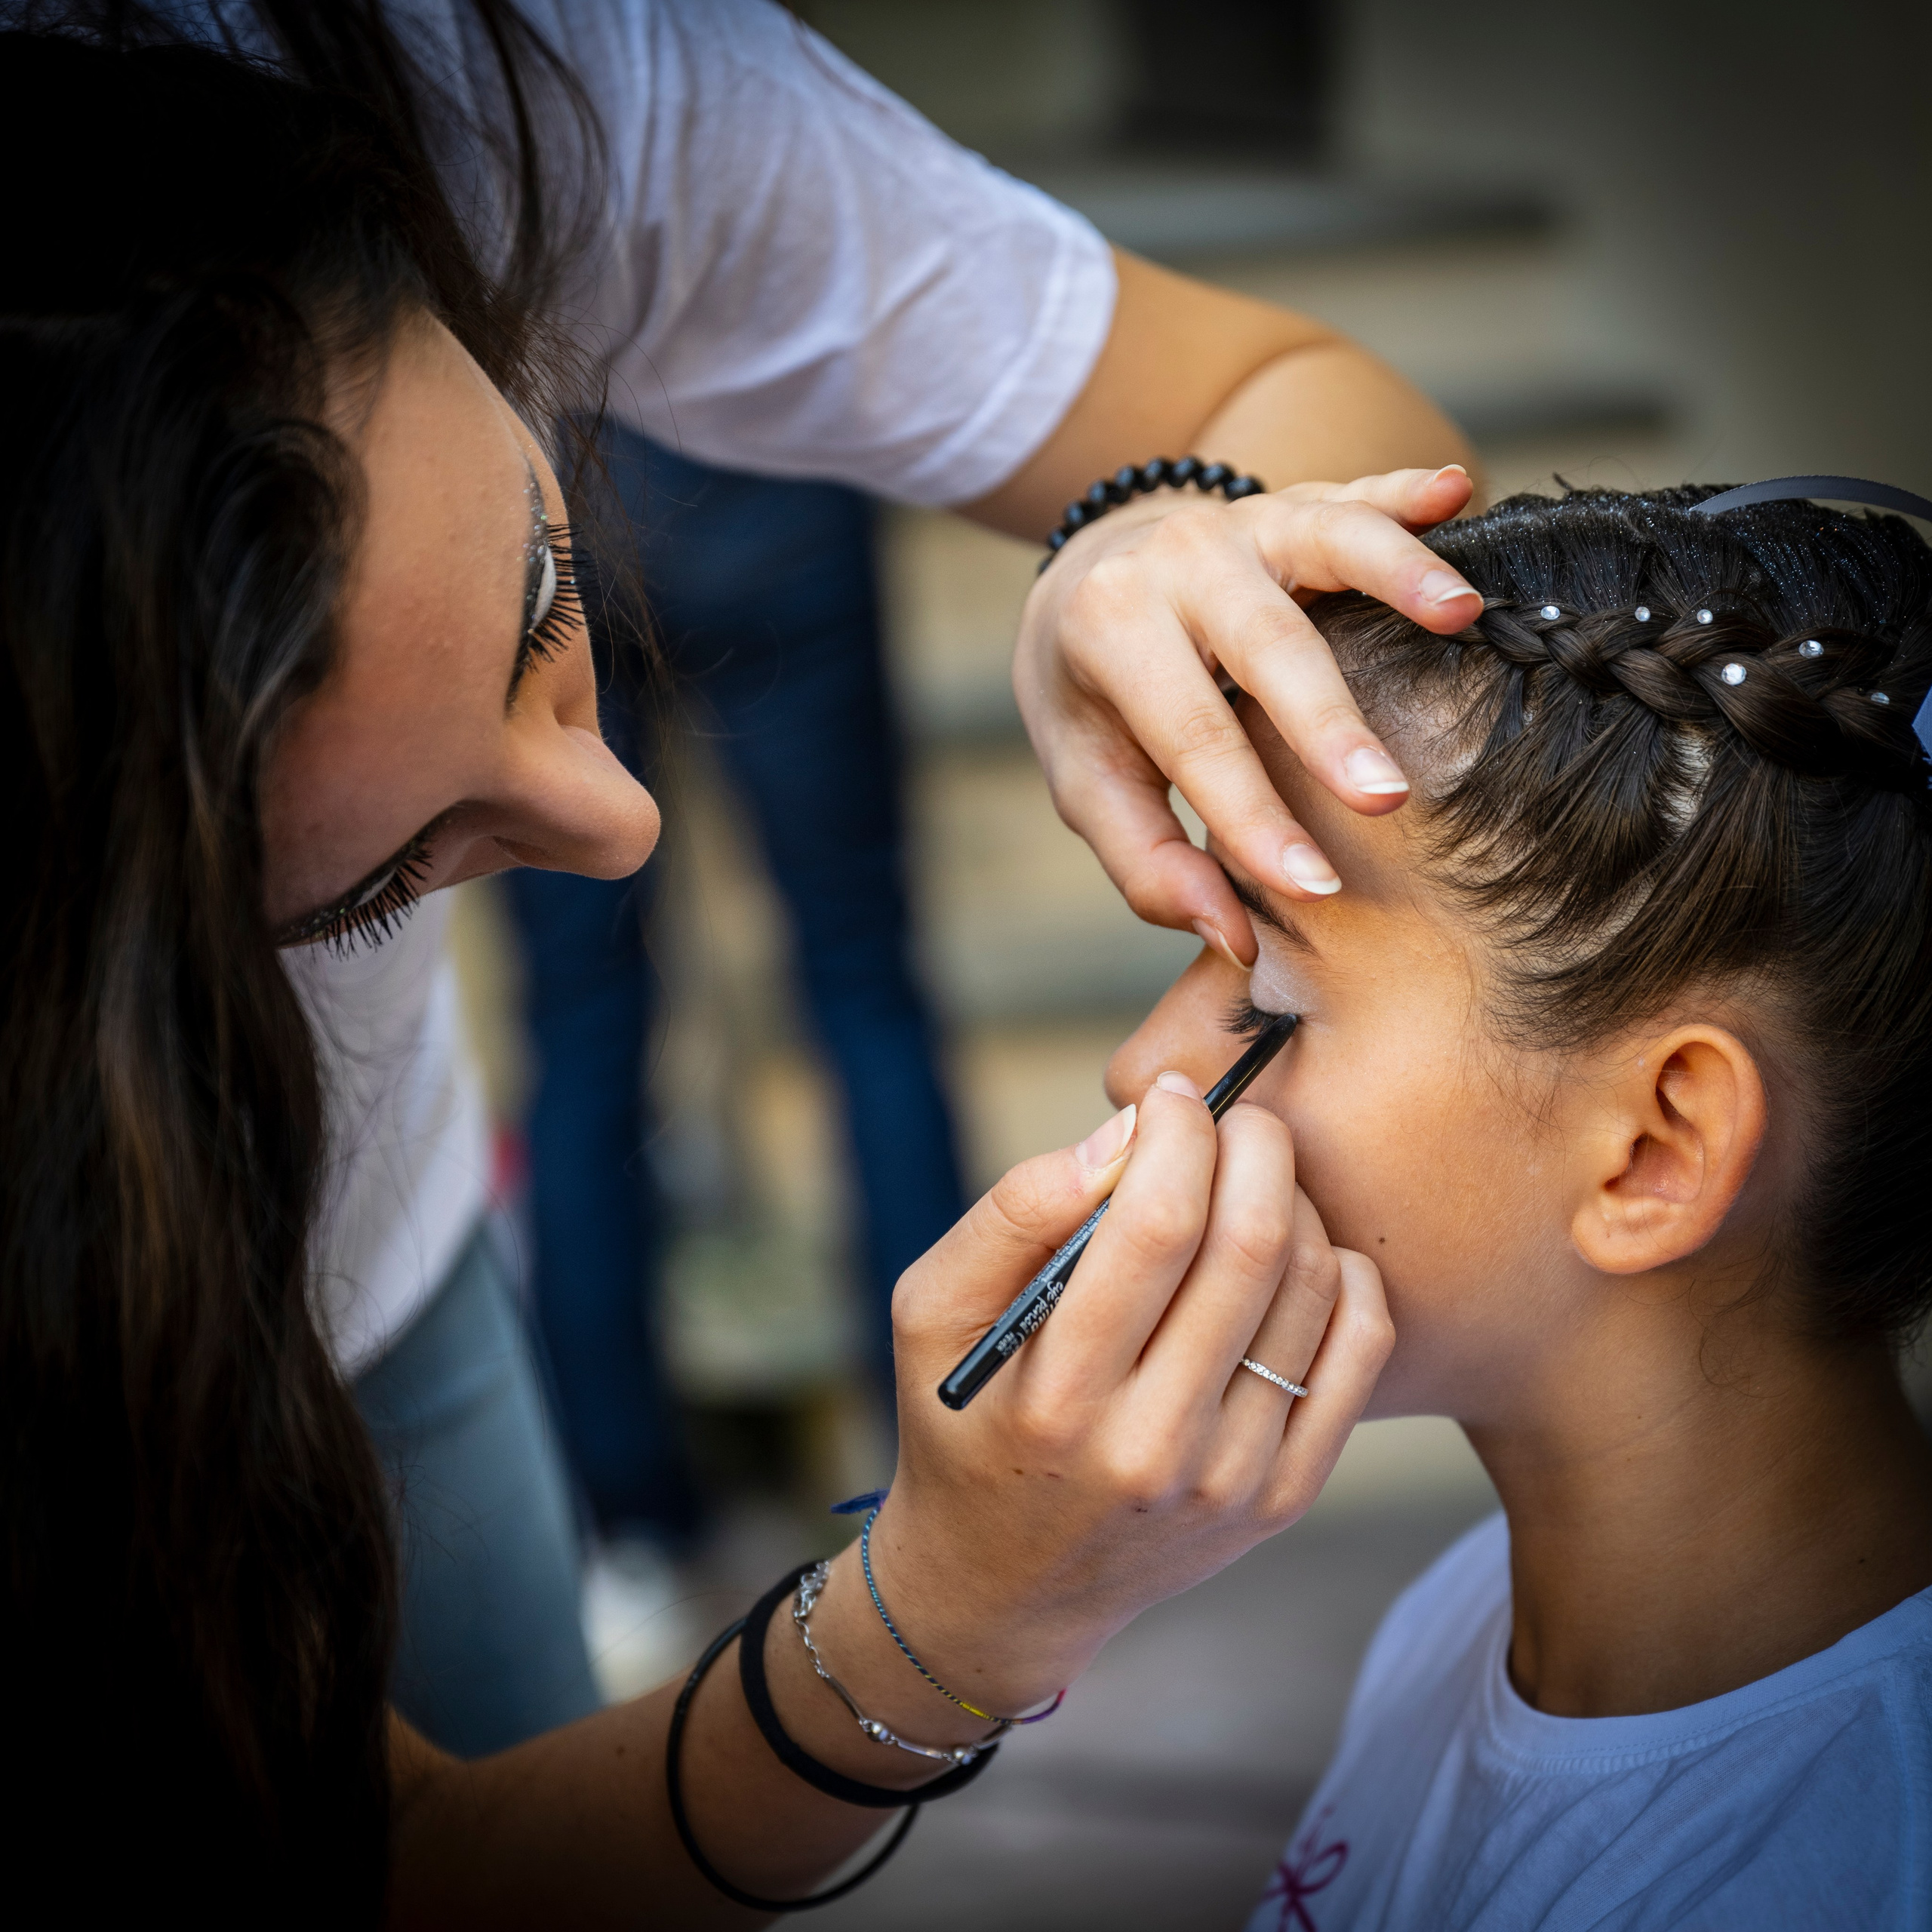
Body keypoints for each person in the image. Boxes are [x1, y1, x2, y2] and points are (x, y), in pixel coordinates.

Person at [2, 5, 1487, 1917]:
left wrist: (1145, 528)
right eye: (373, 889)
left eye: (548, 598)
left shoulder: (531, 85)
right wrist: (925, 1619)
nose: (618, 824)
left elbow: (1314, 409)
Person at [1103, 484, 1932, 1929]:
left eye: (1271, 997)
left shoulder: (1830, 1872)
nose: (1147, 1069)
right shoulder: (1462, 1617)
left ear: (1655, 1149)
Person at [504, 429, 964, 1586]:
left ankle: (630, 1524)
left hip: (538, 506)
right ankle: (950, 1476)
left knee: (578, 1025)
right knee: (868, 987)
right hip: (763, 478)